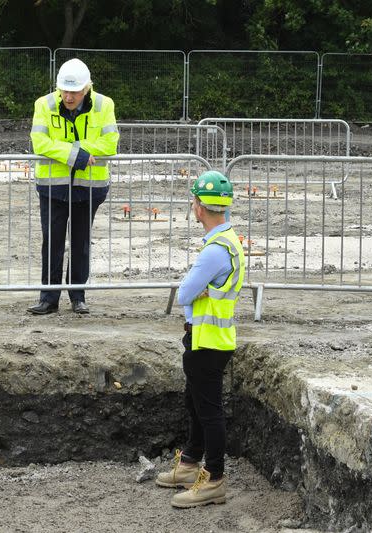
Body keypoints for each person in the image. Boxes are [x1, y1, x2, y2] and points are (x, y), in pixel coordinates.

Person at [155, 170, 245, 508]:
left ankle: (214, 479)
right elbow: (196, 291)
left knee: (209, 411)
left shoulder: (214, 251)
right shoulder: (228, 240)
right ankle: (190, 462)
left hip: (207, 341)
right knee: (195, 402)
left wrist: (195, 289)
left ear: (199, 207)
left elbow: (184, 293)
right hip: (210, 338)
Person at [27, 58, 119, 315]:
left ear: (87, 88)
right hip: (52, 187)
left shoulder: (104, 105)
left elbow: (110, 143)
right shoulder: (44, 104)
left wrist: (81, 151)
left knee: (81, 243)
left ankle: (78, 296)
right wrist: (73, 155)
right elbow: (39, 142)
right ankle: (48, 298)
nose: (68, 97)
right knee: (52, 242)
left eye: (74, 92)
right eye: (64, 91)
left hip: (89, 188)